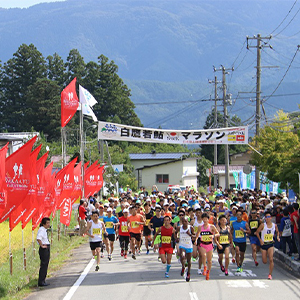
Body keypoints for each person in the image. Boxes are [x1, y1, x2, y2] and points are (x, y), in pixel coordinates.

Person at [255, 211, 280, 279]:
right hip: (264, 244)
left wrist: (277, 237)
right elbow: (257, 232)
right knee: (264, 261)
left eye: (269, 217)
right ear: (265, 218)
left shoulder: (274, 225)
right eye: (266, 217)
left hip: (270, 244)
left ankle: (270, 274)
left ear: (271, 218)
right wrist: (260, 240)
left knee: (271, 259)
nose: (267, 218)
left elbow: (277, 232)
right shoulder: (263, 225)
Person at [195, 212, 219, 280]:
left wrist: (213, 236)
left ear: (208, 219)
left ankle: (208, 272)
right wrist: (196, 240)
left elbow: (218, 234)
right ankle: (205, 267)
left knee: (209, 260)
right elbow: (197, 234)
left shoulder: (211, 226)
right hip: (202, 244)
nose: (205, 220)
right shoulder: (200, 227)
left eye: (206, 219)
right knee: (203, 255)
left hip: (209, 244)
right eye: (204, 219)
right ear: (202, 219)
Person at [177, 216, 195, 282]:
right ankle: (183, 267)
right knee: (182, 255)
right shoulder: (180, 228)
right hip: (182, 245)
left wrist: (189, 234)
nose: (184, 223)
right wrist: (176, 238)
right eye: (183, 221)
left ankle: (189, 273)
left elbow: (194, 236)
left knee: (189, 260)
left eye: (186, 221)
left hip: (189, 245)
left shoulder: (190, 228)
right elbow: (175, 232)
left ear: (188, 222)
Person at [36, 217, 51, 287]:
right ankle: (41, 281)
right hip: (44, 249)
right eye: (47, 223)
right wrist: (42, 245)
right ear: (43, 223)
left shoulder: (44, 230)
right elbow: (38, 238)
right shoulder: (42, 230)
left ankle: (43, 280)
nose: (48, 224)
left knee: (45, 265)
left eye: (49, 223)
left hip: (46, 247)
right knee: (44, 265)